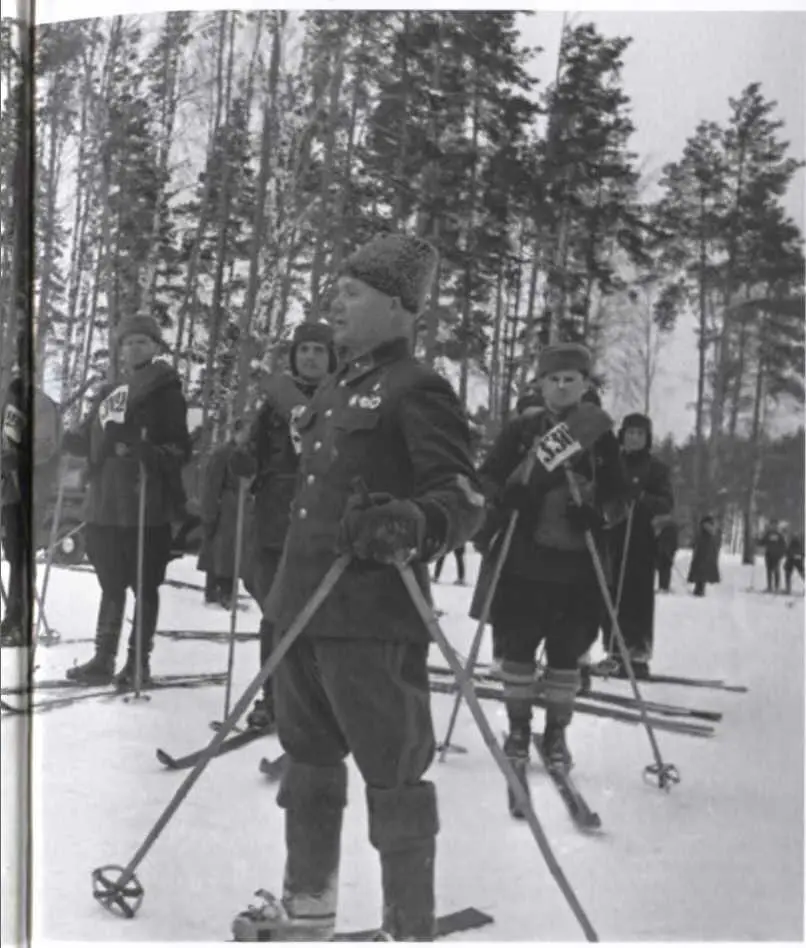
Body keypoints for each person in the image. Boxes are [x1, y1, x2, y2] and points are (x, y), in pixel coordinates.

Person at [231, 234, 484, 943]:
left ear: (398, 306)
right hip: (301, 612)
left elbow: (463, 497)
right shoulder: (336, 387)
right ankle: (308, 908)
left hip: (371, 621)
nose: (334, 305)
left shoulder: (417, 387)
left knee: (394, 774)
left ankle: (408, 924)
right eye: (336, 291)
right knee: (308, 763)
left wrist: (414, 521)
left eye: (352, 294)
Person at [472, 342, 628, 782]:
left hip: (578, 566)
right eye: (553, 379)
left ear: (584, 384)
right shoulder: (521, 431)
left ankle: (556, 734)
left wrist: (597, 515)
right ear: (540, 385)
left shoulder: (598, 434)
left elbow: (619, 497)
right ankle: (519, 730)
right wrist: (508, 496)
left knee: (566, 655)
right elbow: (487, 478)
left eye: (570, 379)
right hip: (524, 560)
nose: (561, 387)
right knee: (518, 650)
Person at [61, 315, 190, 686]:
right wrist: (74, 439)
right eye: (128, 342)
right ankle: (103, 658)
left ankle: (138, 663)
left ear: (155, 347)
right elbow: (90, 440)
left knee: (143, 584)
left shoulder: (166, 392)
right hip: (105, 502)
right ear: (119, 349)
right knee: (111, 581)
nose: (134, 349)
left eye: (142, 342)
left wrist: (143, 450)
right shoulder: (108, 392)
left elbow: (180, 449)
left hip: (145, 502)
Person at [229, 320, 336, 730]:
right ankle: (273, 698)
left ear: (331, 358)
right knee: (274, 614)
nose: (310, 357)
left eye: (319, 350)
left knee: (313, 617)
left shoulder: (339, 401)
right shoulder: (273, 405)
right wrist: (242, 459)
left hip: (322, 523)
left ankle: (311, 700)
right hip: (275, 520)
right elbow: (252, 457)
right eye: (303, 349)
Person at [600, 413, 674, 679]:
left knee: (638, 599)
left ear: (647, 439)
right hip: (612, 538)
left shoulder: (656, 468)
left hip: (640, 540)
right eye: (630, 433)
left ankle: (638, 654)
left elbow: (666, 503)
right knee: (610, 595)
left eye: (640, 434)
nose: (634, 438)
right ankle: (614, 651)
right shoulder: (612, 463)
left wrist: (642, 497)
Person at [197, 420, 250, 609]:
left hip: (237, 509)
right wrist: (209, 514)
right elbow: (212, 485)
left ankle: (226, 591)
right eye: (245, 431)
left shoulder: (245, 453)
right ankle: (217, 591)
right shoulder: (222, 454)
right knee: (220, 553)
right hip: (225, 510)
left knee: (231, 553)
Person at [1, 371, 29, 647]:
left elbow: (43, 449)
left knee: (20, 560)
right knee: (13, 557)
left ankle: (18, 622)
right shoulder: (8, 413)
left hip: (27, 497)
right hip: (9, 496)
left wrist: (14, 460)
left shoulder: (35, 408)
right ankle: (12, 618)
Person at [687, 515, 720, 597]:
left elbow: (703, 545)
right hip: (703, 556)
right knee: (701, 575)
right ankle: (699, 590)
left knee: (701, 574)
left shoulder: (707, 534)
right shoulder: (709, 534)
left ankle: (699, 591)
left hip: (703, 557)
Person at [759, 519, 787, 593]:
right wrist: (757, 539)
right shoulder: (768, 534)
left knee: (776, 570)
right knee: (769, 571)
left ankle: (776, 587)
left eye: (775, 525)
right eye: (772, 525)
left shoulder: (779, 535)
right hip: (769, 555)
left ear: (777, 526)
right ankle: (769, 586)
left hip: (776, 555)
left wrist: (781, 554)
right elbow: (762, 542)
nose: (773, 526)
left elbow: (783, 545)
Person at [654, 515, 679, 592]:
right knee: (665, 570)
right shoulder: (672, 531)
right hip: (666, 553)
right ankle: (664, 586)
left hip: (664, 553)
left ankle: (663, 586)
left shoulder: (667, 531)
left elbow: (660, 542)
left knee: (664, 570)